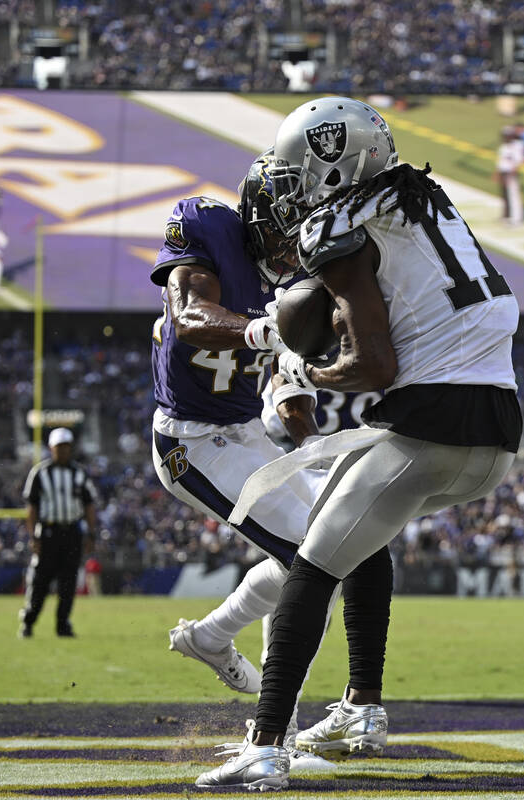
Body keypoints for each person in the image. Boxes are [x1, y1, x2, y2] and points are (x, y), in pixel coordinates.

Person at [197, 96, 522, 791]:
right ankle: (362, 710)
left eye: (297, 174)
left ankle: (263, 747)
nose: (290, 189)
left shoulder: (337, 228)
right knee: (364, 540)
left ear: (337, 170)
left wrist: (304, 362)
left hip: (432, 426)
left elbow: (374, 368)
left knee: (313, 564)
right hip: (498, 435)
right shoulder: (427, 197)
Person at [149, 153, 338, 769]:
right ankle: (272, 737)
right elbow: (188, 316)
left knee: (333, 545)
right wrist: (264, 330)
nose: (295, 241)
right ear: (260, 216)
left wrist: (311, 442)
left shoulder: (298, 277)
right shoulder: (206, 228)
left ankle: (210, 637)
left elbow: (288, 383)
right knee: (310, 562)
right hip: (190, 440)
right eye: (288, 224)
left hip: (243, 429)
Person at [19, 427, 98, 638]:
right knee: (40, 581)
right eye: (59, 447)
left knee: (68, 582)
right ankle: (29, 621)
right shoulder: (40, 472)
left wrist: (91, 533)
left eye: (66, 447)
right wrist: (33, 536)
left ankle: (63, 625)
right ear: (51, 448)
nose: (62, 451)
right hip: (48, 531)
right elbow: (32, 508)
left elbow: (89, 505)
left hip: (72, 532)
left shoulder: (79, 473)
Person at [494, 125, 524, 225]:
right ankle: (506, 215)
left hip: (511, 174)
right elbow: (501, 161)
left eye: (507, 135)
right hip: (503, 172)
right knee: (505, 195)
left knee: (513, 195)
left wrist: (510, 176)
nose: (505, 137)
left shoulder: (517, 146)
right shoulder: (503, 146)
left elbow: (518, 162)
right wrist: (497, 173)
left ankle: (517, 218)